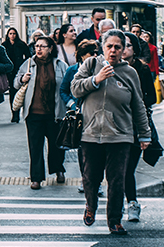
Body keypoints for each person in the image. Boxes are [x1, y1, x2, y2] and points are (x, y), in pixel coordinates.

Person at [71, 29, 151, 235]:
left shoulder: (129, 72)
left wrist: (144, 134)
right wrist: (96, 79)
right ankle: (90, 205)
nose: (113, 50)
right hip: (91, 133)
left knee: (117, 179)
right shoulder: (90, 65)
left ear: (123, 50)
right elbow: (75, 88)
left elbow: (138, 105)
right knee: (90, 177)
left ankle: (114, 220)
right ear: (102, 47)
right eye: (110, 46)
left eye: (118, 47)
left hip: (120, 135)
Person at [14, 36, 68, 189]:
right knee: (35, 147)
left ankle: (58, 169)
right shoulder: (29, 64)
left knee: (57, 145)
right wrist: (22, 79)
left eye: (42, 46)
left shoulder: (60, 65)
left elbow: (66, 86)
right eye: (37, 46)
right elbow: (15, 83)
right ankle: (36, 178)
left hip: (55, 113)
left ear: (51, 48)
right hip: (33, 114)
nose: (38, 49)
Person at [59, 39, 103, 196]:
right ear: (83, 56)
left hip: (97, 114)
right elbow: (63, 90)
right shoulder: (73, 70)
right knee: (83, 151)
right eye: (92, 53)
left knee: (98, 149)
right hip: (80, 116)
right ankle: (86, 180)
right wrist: (71, 104)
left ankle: (96, 182)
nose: (95, 56)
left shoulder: (101, 69)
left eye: (97, 52)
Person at [122, 32, 156, 222]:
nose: (122, 49)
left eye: (127, 45)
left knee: (127, 169)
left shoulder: (141, 69)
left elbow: (152, 97)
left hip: (135, 125)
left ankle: (132, 203)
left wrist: (136, 103)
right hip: (115, 125)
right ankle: (118, 202)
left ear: (134, 49)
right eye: (120, 45)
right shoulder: (110, 68)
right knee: (116, 169)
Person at [2, 27, 31, 123]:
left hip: (19, 71)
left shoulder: (21, 44)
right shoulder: (4, 45)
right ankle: (14, 113)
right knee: (12, 93)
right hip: (9, 72)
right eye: (10, 33)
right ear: (8, 35)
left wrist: (24, 66)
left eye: (14, 33)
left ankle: (20, 113)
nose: (12, 35)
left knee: (20, 92)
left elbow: (28, 57)